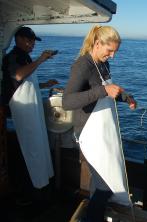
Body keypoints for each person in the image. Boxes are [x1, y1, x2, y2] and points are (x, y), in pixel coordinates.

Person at [63, 25, 136, 222]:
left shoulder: (103, 65)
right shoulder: (82, 65)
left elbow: (107, 91)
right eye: (109, 50)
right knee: (105, 186)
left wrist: (125, 97)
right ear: (97, 44)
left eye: (115, 51)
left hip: (104, 133)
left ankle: (95, 215)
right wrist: (103, 91)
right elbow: (67, 101)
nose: (112, 56)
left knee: (99, 183)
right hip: (89, 134)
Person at [1, 26, 58, 202]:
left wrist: (44, 84)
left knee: (39, 143)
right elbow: (18, 76)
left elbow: (26, 82)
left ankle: (42, 184)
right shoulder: (12, 57)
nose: (32, 44)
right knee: (31, 145)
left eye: (33, 40)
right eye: (29, 40)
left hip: (33, 109)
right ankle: (34, 189)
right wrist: (41, 60)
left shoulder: (25, 57)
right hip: (23, 110)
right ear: (18, 39)